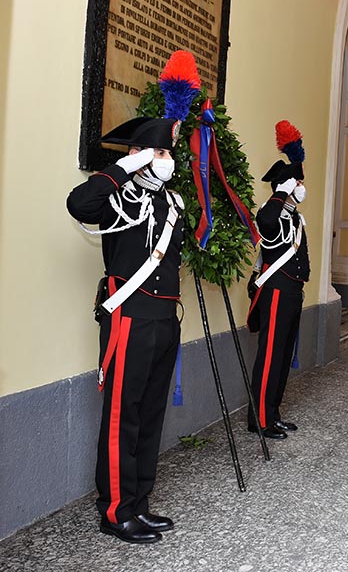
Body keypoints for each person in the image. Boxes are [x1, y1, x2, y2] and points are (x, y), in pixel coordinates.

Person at [67, 116, 185, 544]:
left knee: (151, 415)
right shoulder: (120, 196)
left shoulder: (173, 204)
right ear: (137, 156)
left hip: (164, 320)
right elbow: (79, 204)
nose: (165, 159)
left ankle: (139, 502)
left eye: (168, 152)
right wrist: (124, 168)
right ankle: (116, 510)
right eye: (157, 152)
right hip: (129, 318)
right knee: (123, 416)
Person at [247, 120, 309, 440]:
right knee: (270, 355)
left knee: (282, 357)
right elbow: (266, 221)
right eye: (297, 182)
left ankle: (272, 413)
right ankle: (259, 418)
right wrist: (282, 189)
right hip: (275, 292)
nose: (301, 187)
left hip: (292, 292)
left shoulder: (295, 217)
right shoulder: (272, 214)